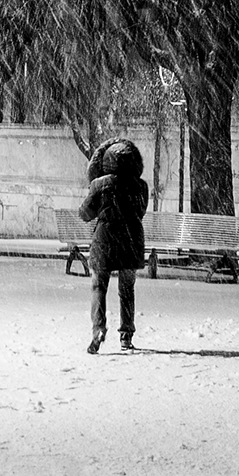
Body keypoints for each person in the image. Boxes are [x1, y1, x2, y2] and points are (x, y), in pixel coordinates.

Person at [79, 138, 148, 353]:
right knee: (127, 290)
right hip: (130, 241)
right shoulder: (140, 186)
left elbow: (85, 213)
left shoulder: (100, 184)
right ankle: (126, 334)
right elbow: (141, 211)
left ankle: (98, 329)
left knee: (99, 287)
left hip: (105, 242)